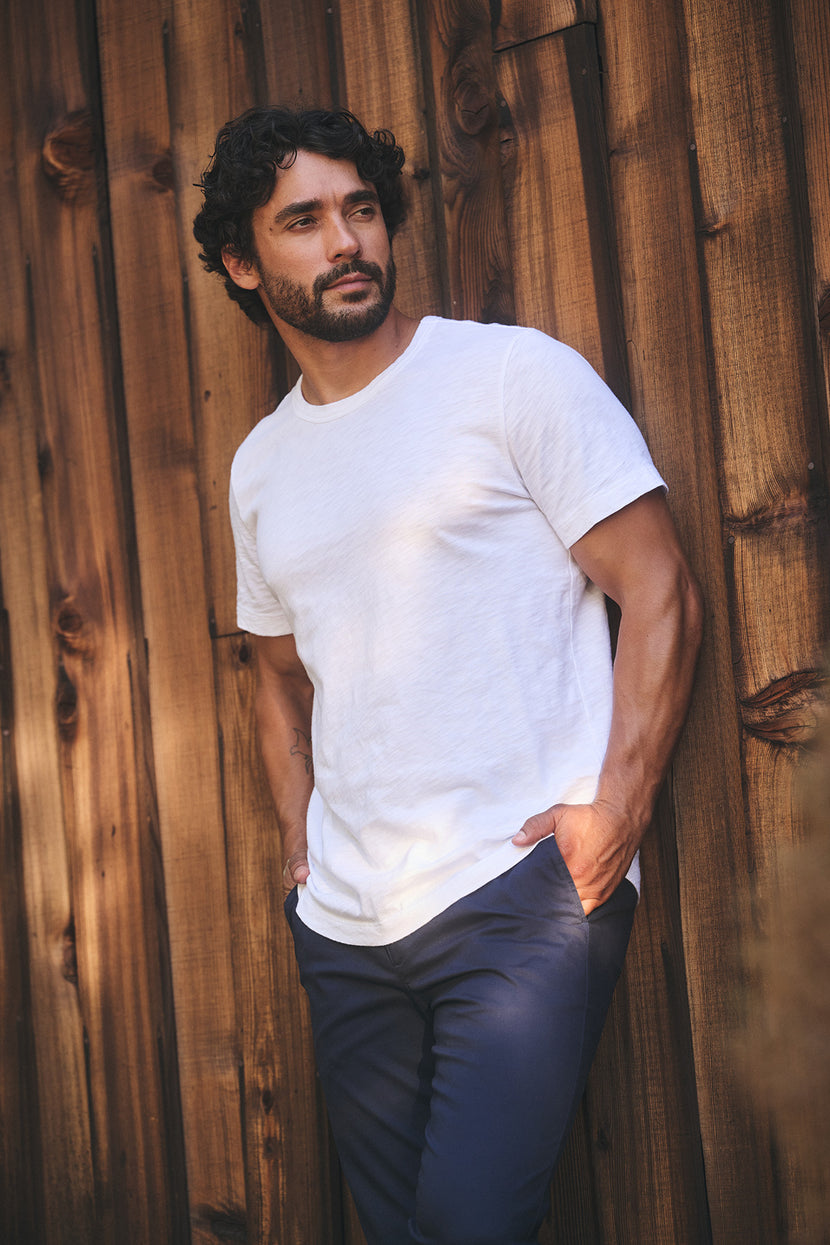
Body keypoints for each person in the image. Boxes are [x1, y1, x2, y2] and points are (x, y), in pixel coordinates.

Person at [194, 105, 703, 1245]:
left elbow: (658, 587)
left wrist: (613, 817)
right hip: (346, 927)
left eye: (361, 211)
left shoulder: (508, 378)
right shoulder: (260, 468)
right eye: (305, 221)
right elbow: (273, 676)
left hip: (515, 895)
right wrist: (298, 847)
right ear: (241, 260)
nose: (346, 244)